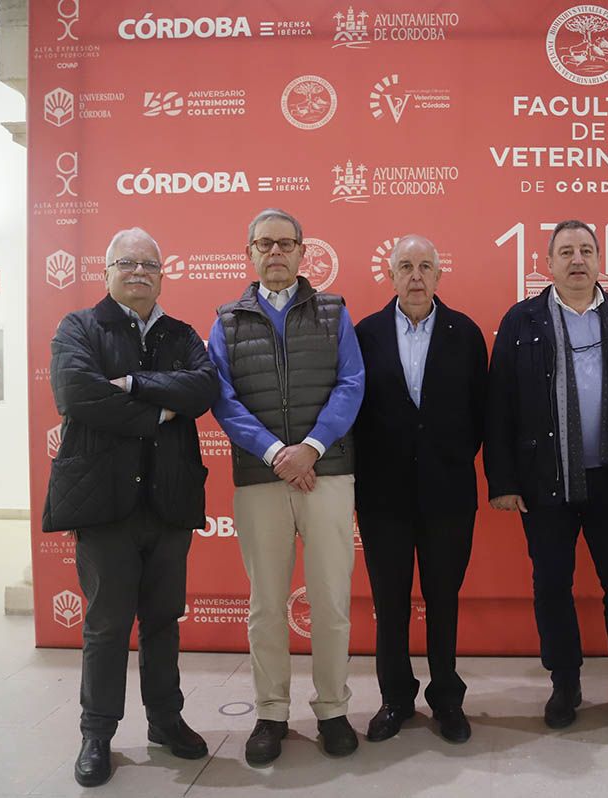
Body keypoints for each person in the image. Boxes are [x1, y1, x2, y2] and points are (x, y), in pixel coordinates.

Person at [43, 227, 219, 787]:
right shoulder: (80, 327)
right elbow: (77, 394)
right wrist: (159, 413)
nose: (139, 271)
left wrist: (134, 383)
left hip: (168, 500)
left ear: (163, 274)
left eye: (149, 264)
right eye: (127, 262)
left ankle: (166, 720)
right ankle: (97, 734)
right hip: (105, 504)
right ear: (107, 271)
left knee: (164, 621)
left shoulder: (181, 333)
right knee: (107, 625)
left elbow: (203, 389)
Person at [485, 219, 608, 731]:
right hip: (547, 480)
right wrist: (504, 481)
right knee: (552, 587)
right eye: (566, 251)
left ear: (600, 259)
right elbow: (499, 406)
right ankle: (565, 684)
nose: (577, 259)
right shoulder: (522, 321)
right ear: (548, 263)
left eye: (586, 250)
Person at [208, 208, 364, 761]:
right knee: (266, 604)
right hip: (261, 476)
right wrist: (277, 453)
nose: (275, 253)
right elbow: (222, 398)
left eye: (286, 243)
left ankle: (333, 710)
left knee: (330, 601)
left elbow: (351, 382)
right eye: (264, 244)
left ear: (303, 251)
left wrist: (311, 448)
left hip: (326, 473)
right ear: (249, 252)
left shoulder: (333, 312)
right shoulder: (226, 320)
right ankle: (271, 714)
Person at [354, 234, 488, 744]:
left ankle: (447, 700)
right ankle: (395, 699)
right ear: (390, 275)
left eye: (425, 266)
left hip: (448, 493)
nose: (415, 276)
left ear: (438, 275)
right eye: (405, 266)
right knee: (389, 602)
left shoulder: (466, 334)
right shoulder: (364, 334)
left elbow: (482, 414)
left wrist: (449, 458)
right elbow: (354, 413)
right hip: (382, 495)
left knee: (443, 599)